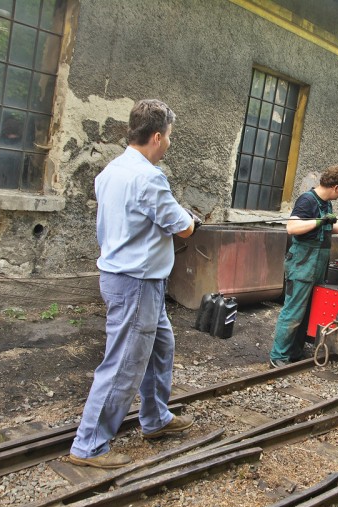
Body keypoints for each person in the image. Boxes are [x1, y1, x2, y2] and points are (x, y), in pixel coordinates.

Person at [69, 100, 199, 469]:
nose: (169, 143)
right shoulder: (148, 176)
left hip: (130, 278)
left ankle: (156, 419)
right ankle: (88, 445)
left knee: (161, 348)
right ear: (157, 137)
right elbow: (184, 226)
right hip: (136, 282)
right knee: (125, 362)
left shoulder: (111, 170)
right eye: (169, 137)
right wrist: (189, 218)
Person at [269, 165, 338, 368]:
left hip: (318, 264)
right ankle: (278, 356)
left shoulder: (326, 204)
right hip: (302, 262)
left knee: (307, 312)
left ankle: (294, 352)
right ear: (336, 187)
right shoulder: (307, 200)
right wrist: (319, 221)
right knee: (293, 311)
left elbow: (329, 227)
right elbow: (292, 227)